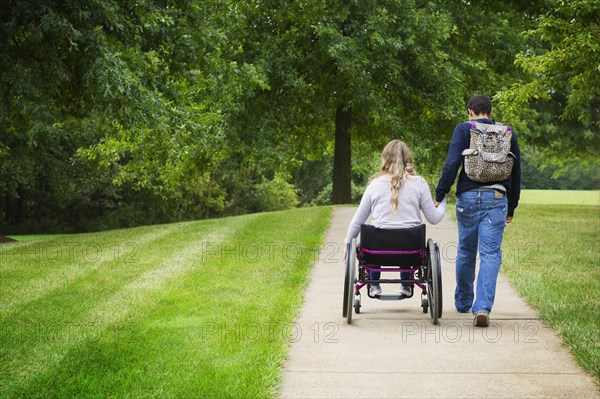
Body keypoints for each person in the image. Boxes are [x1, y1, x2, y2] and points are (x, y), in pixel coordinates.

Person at [434, 94, 521, 327]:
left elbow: (452, 163)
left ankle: (463, 302)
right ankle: (482, 308)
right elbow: (516, 171)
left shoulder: (464, 129)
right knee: (491, 254)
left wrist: (440, 193)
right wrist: (511, 206)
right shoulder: (507, 132)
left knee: (466, 249)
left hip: (468, 198)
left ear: (470, 112)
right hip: (497, 198)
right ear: (490, 113)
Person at [345, 140, 446, 297]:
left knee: (372, 239)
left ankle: (374, 284)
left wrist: (347, 244)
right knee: (404, 238)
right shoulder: (420, 183)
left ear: (384, 159)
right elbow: (434, 218)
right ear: (408, 159)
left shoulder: (374, 185)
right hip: (411, 251)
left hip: (376, 251)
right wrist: (442, 202)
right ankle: (406, 284)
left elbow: (358, 222)